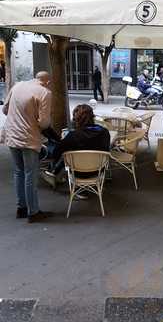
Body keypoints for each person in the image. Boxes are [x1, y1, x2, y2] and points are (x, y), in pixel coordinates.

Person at [2, 71, 53, 223]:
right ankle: (33, 212)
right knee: (30, 173)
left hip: (11, 135)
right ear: (47, 82)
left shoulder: (18, 86)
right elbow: (44, 123)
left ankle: (21, 208)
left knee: (19, 171)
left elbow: (5, 109)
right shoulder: (45, 92)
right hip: (28, 138)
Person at [42, 104, 110, 188]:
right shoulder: (104, 132)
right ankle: (54, 173)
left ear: (76, 120)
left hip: (78, 173)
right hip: (99, 171)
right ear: (92, 117)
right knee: (72, 149)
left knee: (64, 150)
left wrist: (64, 141)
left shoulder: (73, 136)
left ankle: (53, 172)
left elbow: (56, 153)